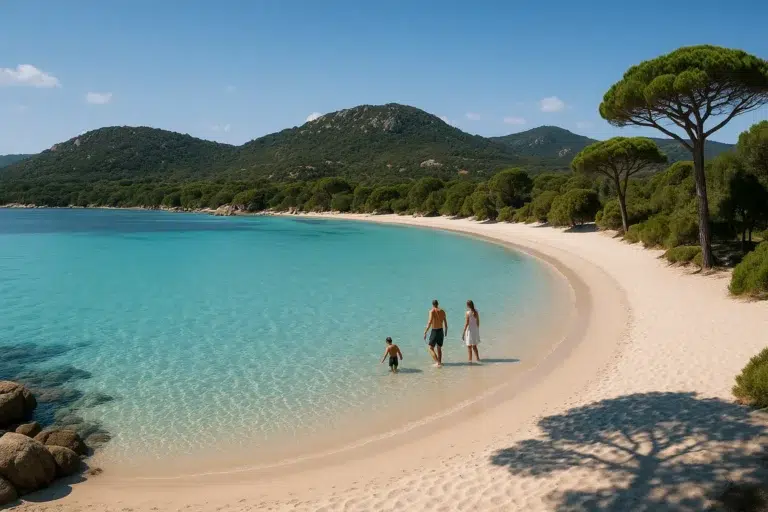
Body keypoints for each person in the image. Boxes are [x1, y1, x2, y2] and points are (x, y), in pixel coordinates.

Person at [423, 299, 447, 366]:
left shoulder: (432, 311)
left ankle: (437, 362)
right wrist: (446, 330)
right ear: (437, 304)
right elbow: (445, 321)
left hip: (435, 331)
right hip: (441, 330)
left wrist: (425, 332)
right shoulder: (442, 311)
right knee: (439, 348)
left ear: (432, 304)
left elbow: (430, 322)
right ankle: (440, 362)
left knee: (431, 348)